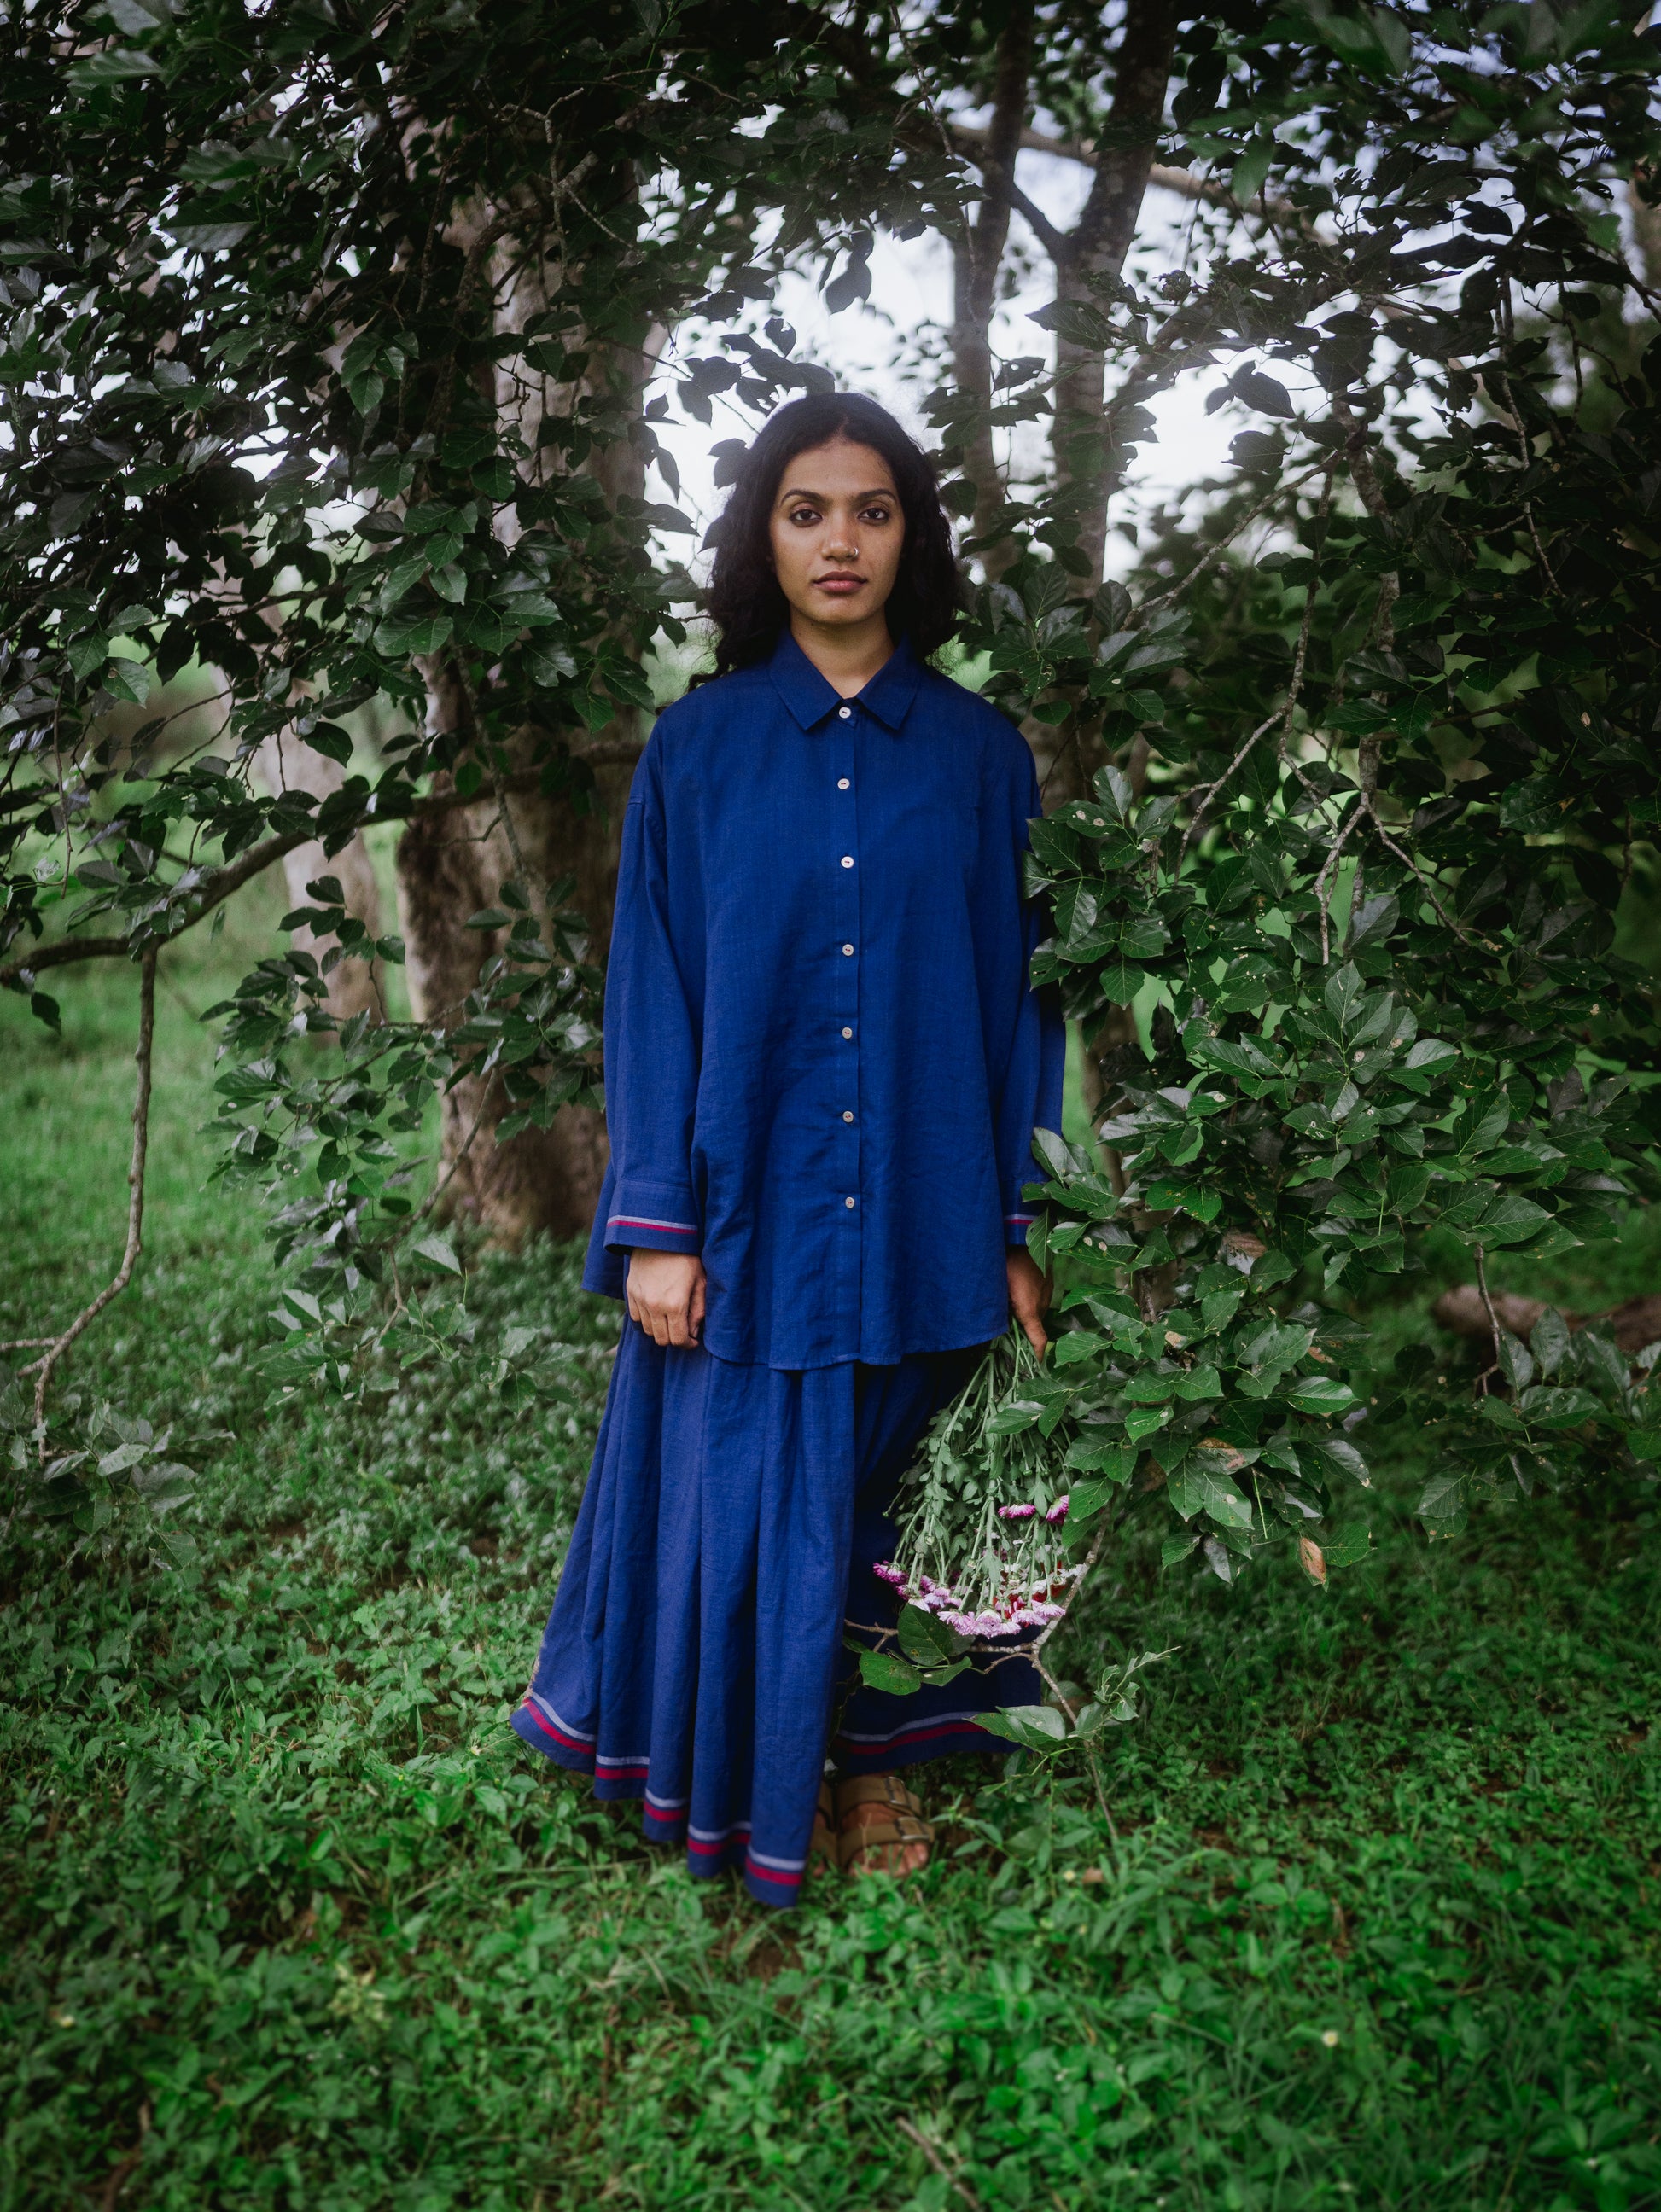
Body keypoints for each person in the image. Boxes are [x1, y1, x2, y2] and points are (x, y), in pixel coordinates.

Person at [510, 391, 1065, 1906]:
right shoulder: (693, 752)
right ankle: (761, 1778)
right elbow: (654, 995)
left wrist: (1021, 1218)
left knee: (895, 1497)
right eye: (807, 510)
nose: (841, 541)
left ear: (912, 537)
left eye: (872, 510)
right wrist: (659, 1226)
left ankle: (882, 1769)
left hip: (925, 1202)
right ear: (765, 535)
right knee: (748, 1507)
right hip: (744, 1207)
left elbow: (1023, 1002)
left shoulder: (978, 758)